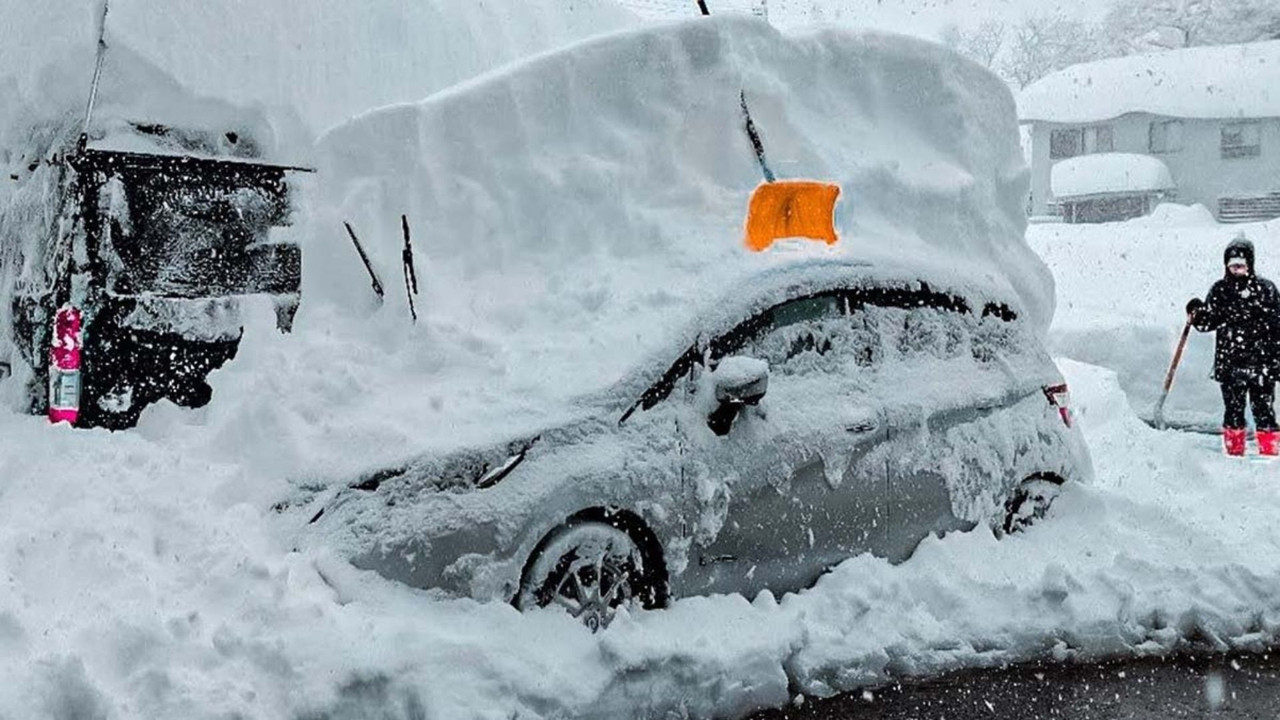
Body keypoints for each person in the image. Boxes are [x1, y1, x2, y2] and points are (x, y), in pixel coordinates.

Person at [1186, 235, 1280, 456]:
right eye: (1232, 266)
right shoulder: (1220, 291)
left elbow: (1277, 328)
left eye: (1241, 265)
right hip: (1231, 365)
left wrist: (1275, 361)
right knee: (1233, 412)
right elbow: (1209, 322)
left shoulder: (1266, 290)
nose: (1236, 270)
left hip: (1261, 365)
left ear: (1250, 264)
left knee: (1264, 412)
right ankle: (1234, 454)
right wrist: (1197, 313)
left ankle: (1270, 454)